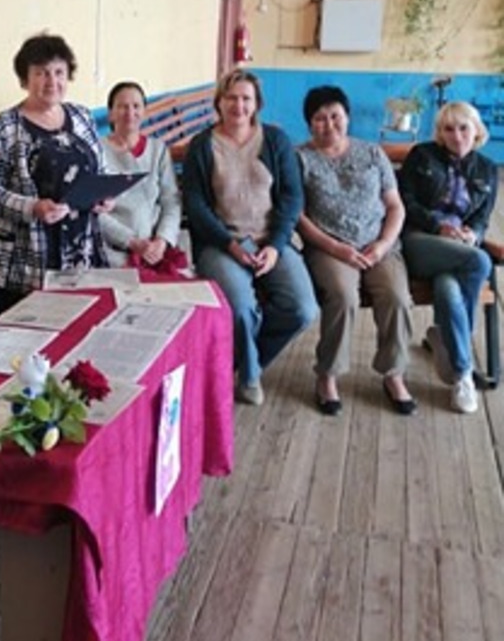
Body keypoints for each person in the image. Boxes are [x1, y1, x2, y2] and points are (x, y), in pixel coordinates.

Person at [182, 68, 318, 405]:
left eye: (246, 98)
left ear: (257, 104)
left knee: (303, 309)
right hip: (221, 243)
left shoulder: (275, 140)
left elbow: (291, 197)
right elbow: (196, 206)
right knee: (241, 308)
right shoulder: (202, 145)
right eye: (231, 98)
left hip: (271, 241)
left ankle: (244, 358)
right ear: (219, 102)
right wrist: (230, 245)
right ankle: (250, 376)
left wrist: (275, 246)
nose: (238, 105)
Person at [297, 86, 416, 416]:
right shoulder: (300, 158)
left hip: (379, 245)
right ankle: (328, 374)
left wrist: (382, 245)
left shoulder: (373, 153)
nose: (329, 124)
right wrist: (336, 247)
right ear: (309, 123)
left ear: (347, 118)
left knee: (396, 297)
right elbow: (298, 217)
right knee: (343, 295)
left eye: (335, 116)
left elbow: (395, 206)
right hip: (329, 247)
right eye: (320, 118)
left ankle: (393, 373)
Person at [0, 33, 108, 314]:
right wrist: (31, 207)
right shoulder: (4, 127)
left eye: (59, 72)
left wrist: (103, 195)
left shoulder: (82, 117)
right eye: (41, 73)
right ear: (25, 79)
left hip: (80, 259)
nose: (51, 81)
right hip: (20, 269)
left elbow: (100, 170)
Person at [399, 101, 498, 415]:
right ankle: (458, 348)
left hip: (458, 251)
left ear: (476, 129)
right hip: (420, 241)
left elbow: (481, 218)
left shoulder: (487, 169)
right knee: (480, 262)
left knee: (448, 289)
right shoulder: (422, 156)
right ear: (440, 133)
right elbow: (405, 202)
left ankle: (461, 373)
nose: (457, 136)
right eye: (449, 129)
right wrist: (437, 226)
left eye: (463, 128)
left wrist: (472, 235)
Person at [98, 81, 183, 270]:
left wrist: (162, 240)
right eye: (122, 106)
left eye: (136, 106)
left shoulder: (158, 150)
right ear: (111, 113)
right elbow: (94, 212)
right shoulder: (97, 151)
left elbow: (171, 201)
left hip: (155, 248)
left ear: (144, 111)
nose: (130, 112)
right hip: (111, 250)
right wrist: (132, 242)